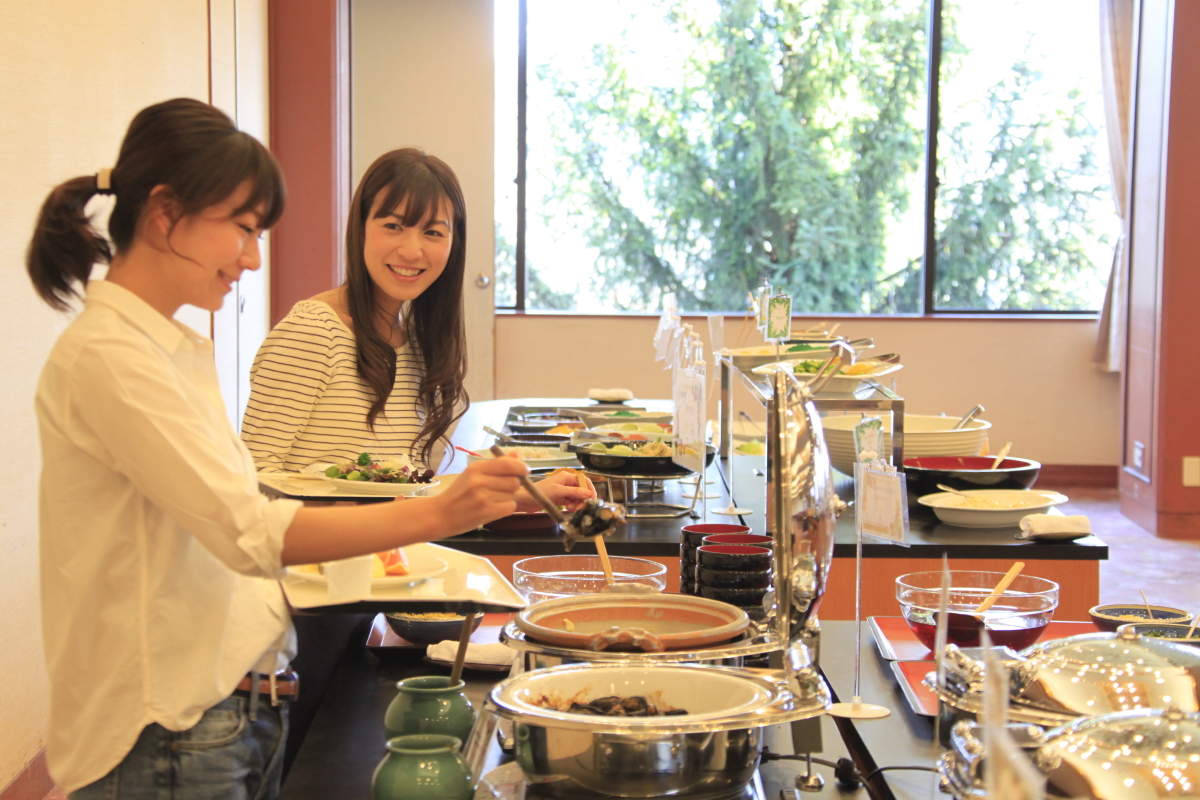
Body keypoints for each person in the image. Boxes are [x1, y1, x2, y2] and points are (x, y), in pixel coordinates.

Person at [28, 98, 532, 800]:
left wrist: (479, 492)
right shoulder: (113, 359)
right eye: (241, 228)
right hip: (168, 722)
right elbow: (251, 523)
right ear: (166, 213)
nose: (253, 257)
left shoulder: (167, 347)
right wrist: (440, 512)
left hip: (234, 698)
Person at [240, 147, 589, 507]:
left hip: (394, 555)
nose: (411, 250)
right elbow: (251, 483)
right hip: (325, 559)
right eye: (393, 226)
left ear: (453, 244)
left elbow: (409, 493)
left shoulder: (413, 344)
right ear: (360, 227)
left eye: (433, 233)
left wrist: (527, 494)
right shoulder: (312, 332)